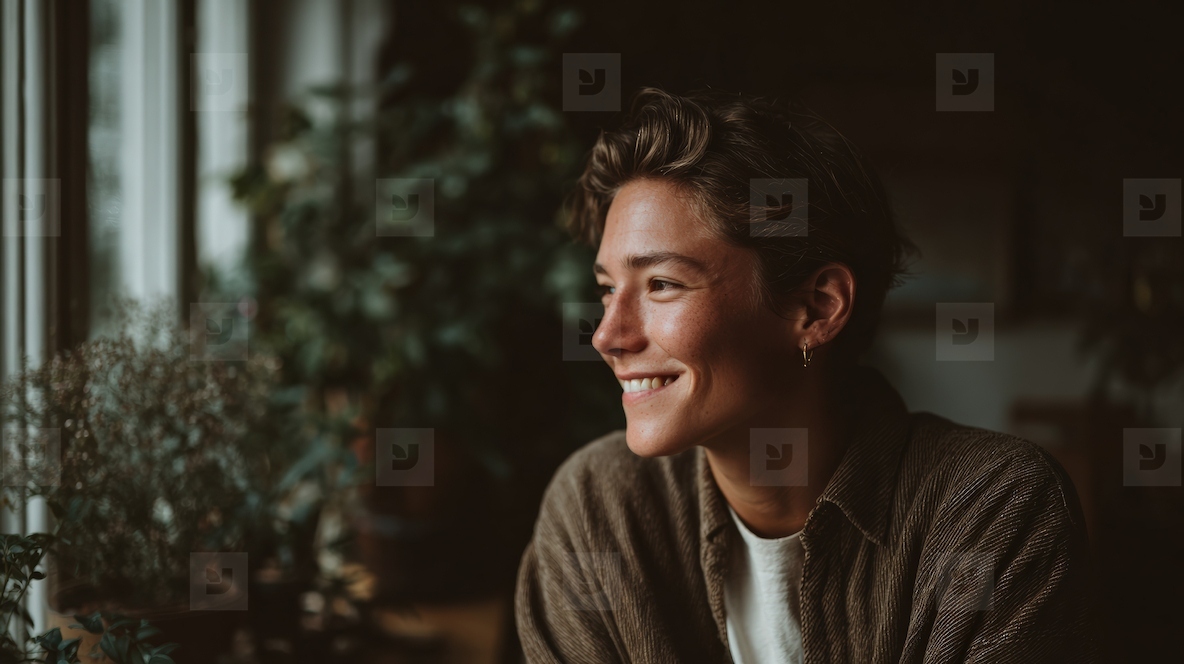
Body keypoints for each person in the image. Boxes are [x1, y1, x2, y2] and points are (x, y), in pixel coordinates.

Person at [515, 87, 1099, 663]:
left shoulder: (993, 508)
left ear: (817, 308)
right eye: (607, 290)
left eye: (662, 284)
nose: (606, 336)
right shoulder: (596, 509)